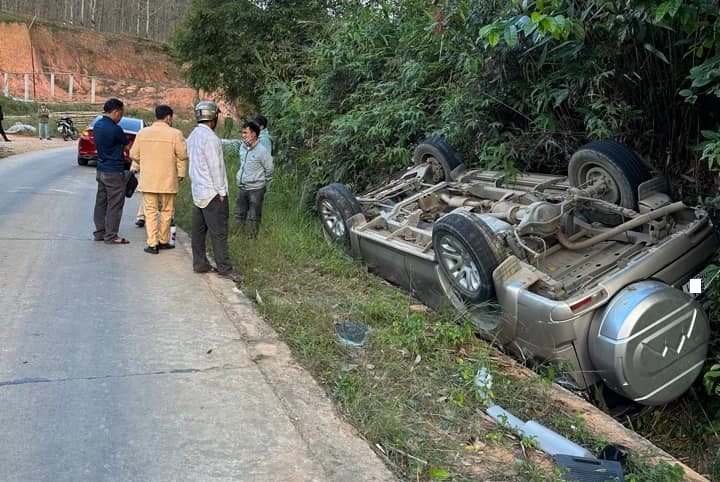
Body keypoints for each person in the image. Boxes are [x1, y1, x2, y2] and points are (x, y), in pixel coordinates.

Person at [187, 100, 240, 281]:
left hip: (198, 192)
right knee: (219, 233)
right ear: (213, 117)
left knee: (198, 232)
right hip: (212, 193)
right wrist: (222, 191)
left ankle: (200, 263)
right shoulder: (211, 138)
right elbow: (215, 167)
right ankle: (224, 268)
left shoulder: (193, 135)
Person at [129, 104, 188, 255]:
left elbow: (133, 154)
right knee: (167, 210)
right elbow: (182, 155)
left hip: (149, 179)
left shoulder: (143, 133)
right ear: (168, 117)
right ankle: (163, 241)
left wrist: (146, 160)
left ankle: (152, 244)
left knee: (150, 212)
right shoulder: (176, 134)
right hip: (168, 179)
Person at [93, 98, 130, 245]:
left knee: (101, 202)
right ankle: (111, 236)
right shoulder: (115, 129)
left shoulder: (97, 125)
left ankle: (99, 233)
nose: (121, 117)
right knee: (115, 203)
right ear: (115, 112)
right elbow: (128, 147)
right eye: (121, 113)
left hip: (101, 169)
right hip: (114, 170)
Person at [235, 121, 273, 239]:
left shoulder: (262, 151)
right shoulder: (243, 147)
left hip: (256, 189)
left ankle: (251, 239)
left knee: (253, 216)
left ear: (254, 134)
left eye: (246, 133)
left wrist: (260, 181)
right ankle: (239, 237)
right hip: (242, 187)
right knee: (239, 214)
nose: (243, 135)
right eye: (242, 133)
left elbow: (270, 169)